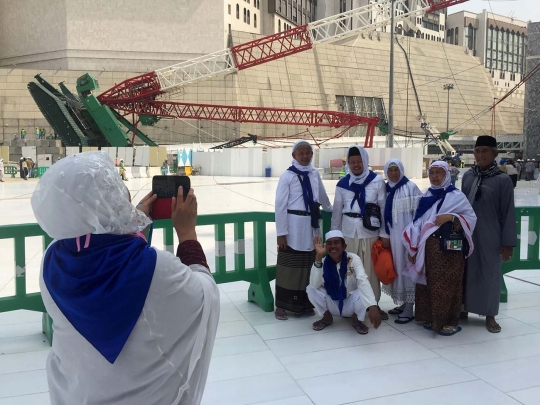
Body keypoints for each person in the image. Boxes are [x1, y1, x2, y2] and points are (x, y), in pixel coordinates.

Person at [31, 151, 219, 405]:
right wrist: (186, 232)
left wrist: (129, 228)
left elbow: (99, 252)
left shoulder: (53, 259)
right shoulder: (157, 269)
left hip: (77, 393)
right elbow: (204, 294)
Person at [403, 161, 477, 336]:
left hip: (451, 250)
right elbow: (419, 223)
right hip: (429, 248)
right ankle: (431, 318)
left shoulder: (456, 196)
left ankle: (449, 321)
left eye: (439, 173)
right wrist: (413, 249)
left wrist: (451, 217)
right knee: (430, 283)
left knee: (449, 284)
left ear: (446, 175)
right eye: (432, 173)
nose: (435, 176)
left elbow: (471, 218)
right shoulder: (427, 195)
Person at [461, 136, 516, 333]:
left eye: (485, 151)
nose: (480, 155)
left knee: (490, 274)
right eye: (477, 151)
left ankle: (490, 315)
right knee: (465, 272)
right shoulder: (468, 177)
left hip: (491, 235)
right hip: (467, 234)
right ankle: (462, 309)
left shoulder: (502, 181)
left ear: (495, 153)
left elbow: (508, 212)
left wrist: (507, 242)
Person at [274, 140, 332, 320]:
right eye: (301, 153)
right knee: (288, 266)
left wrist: (332, 209)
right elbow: (280, 205)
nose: (305, 156)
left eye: (308, 153)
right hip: (293, 226)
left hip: (312, 224)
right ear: (294, 156)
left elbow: (322, 195)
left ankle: (305, 304)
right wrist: (281, 233)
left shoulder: (314, 174)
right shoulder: (287, 176)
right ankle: (282, 306)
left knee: (309, 264)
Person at [331, 146, 389, 324]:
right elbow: (337, 212)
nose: (356, 165)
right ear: (348, 163)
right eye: (352, 162)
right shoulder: (342, 184)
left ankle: (373, 305)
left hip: (369, 232)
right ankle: (352, 304)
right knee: (349, 271)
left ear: (365, 161)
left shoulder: (377, 181)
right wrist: (335, 236)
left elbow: (383, 208)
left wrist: (384, 234)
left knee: (370, 271)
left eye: (359, 161)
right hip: (348, 232)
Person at [307, 230, 382, 334]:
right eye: (329, 243)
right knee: (310, 288)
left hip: (351, 304)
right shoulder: (323, 262)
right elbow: (314, 284)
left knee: (362, 288)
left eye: (336, 242)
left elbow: (362, 280)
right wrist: (318, 256)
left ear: (344, 246)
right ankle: (327, 317)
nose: (333, 246)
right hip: (332, 303)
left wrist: (372, 306)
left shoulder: (353, 259)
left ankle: (357, 319)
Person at [382, 159, 422, 324]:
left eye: (396, 170)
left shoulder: (410, 188)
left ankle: (409, 307)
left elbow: (420, 214)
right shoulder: (384, 189)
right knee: (397, 269)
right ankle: (403, 302)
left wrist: (414, 239)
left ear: (402, 170)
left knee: (408, 270)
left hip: (407, 239)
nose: (393, 173)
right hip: (391, 238)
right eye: (390, 170)